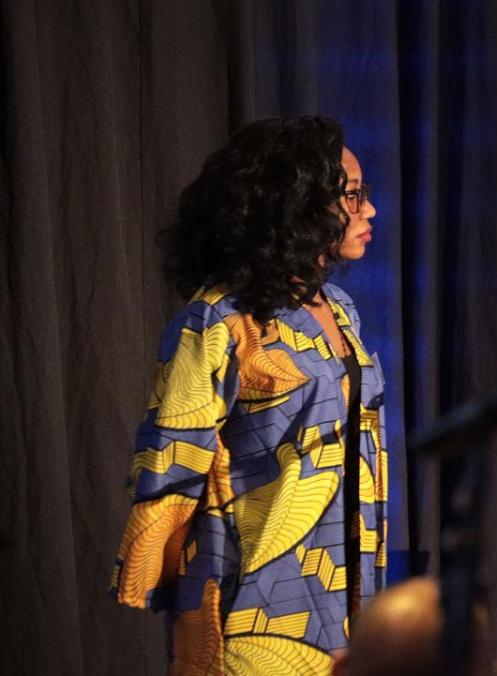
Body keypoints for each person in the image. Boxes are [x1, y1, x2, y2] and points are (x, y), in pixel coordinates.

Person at [110, 117, 388, 673]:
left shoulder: (339, 308)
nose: (370, 210)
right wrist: (162, 582)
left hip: (350, 589)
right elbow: (172, 458)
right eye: (352, 195)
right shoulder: (219, 319)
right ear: (295, 205)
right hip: (256, 599)